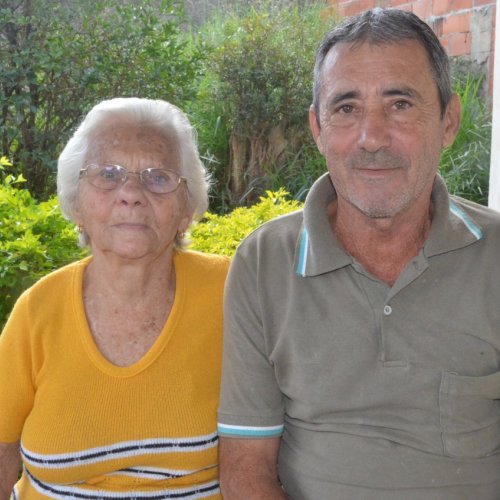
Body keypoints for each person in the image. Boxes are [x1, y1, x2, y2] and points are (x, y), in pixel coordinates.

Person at [217, 8, 500, 499]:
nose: (371, 138)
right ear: (318, 128)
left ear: (448, 121)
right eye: (347, 108)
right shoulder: (264, 263)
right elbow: (246, 470)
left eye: (400, 104)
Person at [0, 97, 228, 499]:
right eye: (108, 174)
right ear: (77, 203)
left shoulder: (232, 293)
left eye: (158, 177)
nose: (131, 193)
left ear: (186, 210)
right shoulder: (38, 310)